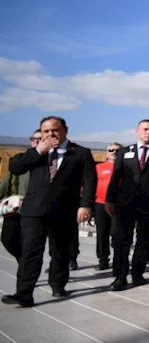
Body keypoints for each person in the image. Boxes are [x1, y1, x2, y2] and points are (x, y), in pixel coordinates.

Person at [1, 116, 96, 308]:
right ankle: (24, 294)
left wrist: (85, 206)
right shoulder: (36, 152)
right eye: (46, 131)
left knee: (60, 251)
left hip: (64, 210)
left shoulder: (80, 153)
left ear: (65, 131)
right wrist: (38, 151)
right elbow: (15, 168)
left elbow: (90, 180)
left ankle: (58, 284)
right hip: (34, 211)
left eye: (55, 130)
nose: (50, 134)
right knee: (30, 252)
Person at [105, 120, 149, 291]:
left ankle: (137, 274)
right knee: (121, 240)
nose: (148, 132)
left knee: (144, 240)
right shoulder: (124, 152)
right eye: (145, 129)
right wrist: (109, 200)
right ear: (137, 131)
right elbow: (116, 177)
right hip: (125, 203)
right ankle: (120, 277)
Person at [0, 131, 40, 262]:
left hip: (36, 211)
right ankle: (23, 261)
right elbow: (6, 182)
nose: (36, 141)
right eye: (33, 139)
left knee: (29, 243)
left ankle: (26, 270)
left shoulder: (50, 163)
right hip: (14, 209)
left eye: (40, 139)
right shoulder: (20, 160)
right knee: (7, 239)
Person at [93, 142, 120, 271]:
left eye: (117, 150)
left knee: (117, 233)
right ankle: (103, 259)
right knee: (102, 233)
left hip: (119, 205)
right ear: (107, 152)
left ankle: (118, 259)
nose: (114, 152)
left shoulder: (126, 167)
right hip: (101, 204)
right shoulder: (99, 167)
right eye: (111, 150)